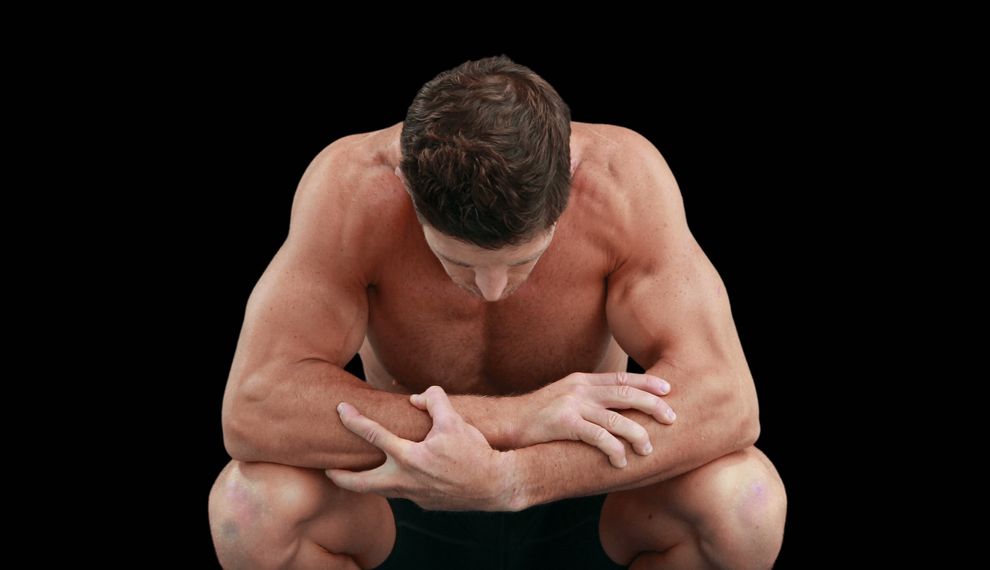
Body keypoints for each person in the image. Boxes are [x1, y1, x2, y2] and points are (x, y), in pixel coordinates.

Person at [208, 55, 786, 569]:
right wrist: (518, 420)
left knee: (745, 502)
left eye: (523, 260)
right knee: (249, 507)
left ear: (567, 189)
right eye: (454, 262)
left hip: (586, 498)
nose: (490, 289)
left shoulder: (621, 181)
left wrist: (517, 476)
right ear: (409, 188)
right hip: (402, 497)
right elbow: (255, 407)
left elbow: (727, 402)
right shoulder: (353, 189)